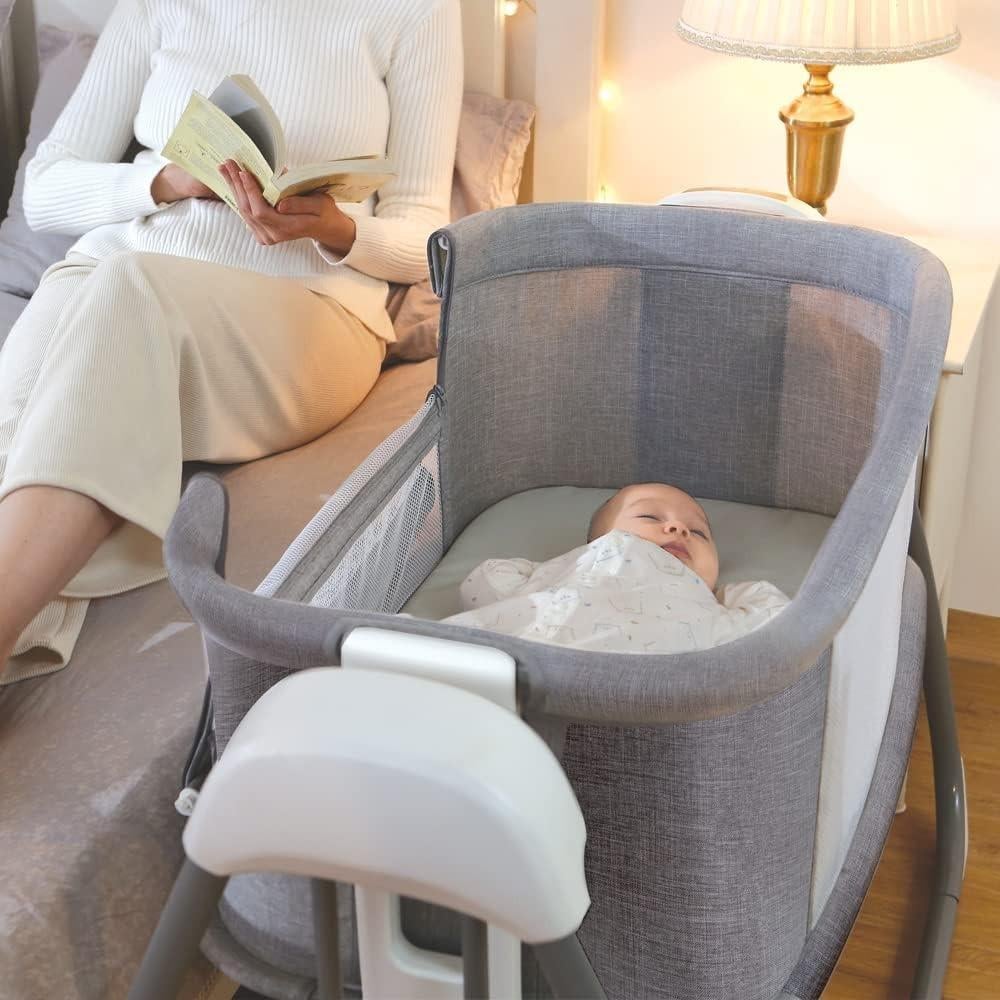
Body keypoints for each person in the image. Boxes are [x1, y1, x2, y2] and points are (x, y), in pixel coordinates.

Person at [0, 0, 463, 683]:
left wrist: (334, 228)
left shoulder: (416, 11)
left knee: (129, 287)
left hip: (309, 307)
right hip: (114, 269)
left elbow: (429, 240)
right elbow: (45, 190)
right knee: (11, 432)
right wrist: (166, 181)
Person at [443, 483, 789, 653]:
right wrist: (555, 570)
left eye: (698, 532)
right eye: (649, 516)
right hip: (520, 654)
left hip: (627, 686)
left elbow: (780, 621)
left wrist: (720, 595)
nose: (679, 529)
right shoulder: (577, 566)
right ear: (598, 542)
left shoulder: (710, 612)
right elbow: (481, 584)